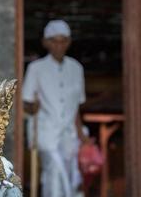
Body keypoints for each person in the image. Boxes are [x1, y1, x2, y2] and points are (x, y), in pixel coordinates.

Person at [23, 20, 89, 197]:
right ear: (46, 43)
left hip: (69, 134)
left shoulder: (76, 68)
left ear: (68, 42)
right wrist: (32, 106)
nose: (59, 45)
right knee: (55, 170)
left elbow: (75, 107)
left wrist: (82, 136)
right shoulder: (35, 68)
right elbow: (26, 102)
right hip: (46, 131)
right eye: (54, 40)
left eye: (63, 40)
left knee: (68, 172)